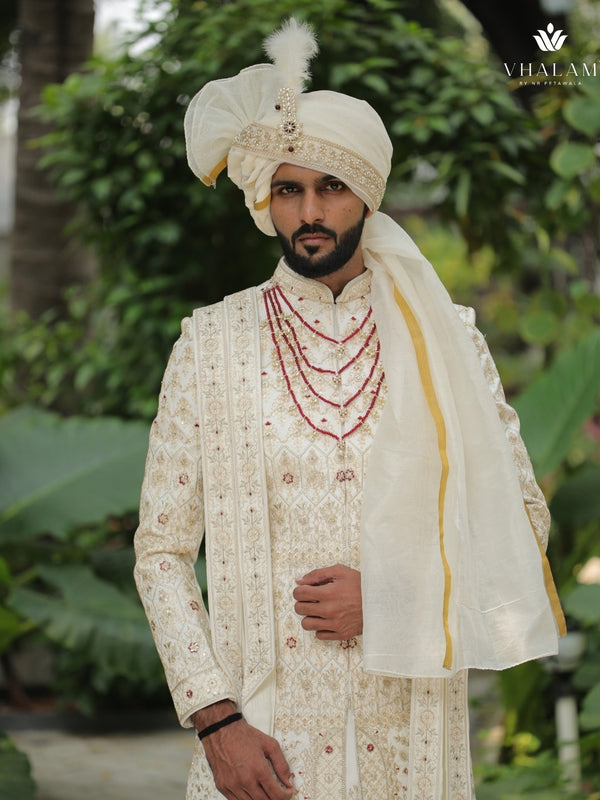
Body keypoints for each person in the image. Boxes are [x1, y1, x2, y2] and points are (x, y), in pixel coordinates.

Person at [134, 18, 566, 800]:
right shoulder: (211, 344)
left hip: (413, 738)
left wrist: (399, 594)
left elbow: (524, 517)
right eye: (289, 189)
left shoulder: (448, 340)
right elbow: (162, 552)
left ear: (366, 194)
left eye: (331, 187)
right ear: (267, 198)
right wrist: (215, 718)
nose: (309, 212)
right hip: (261, 741)